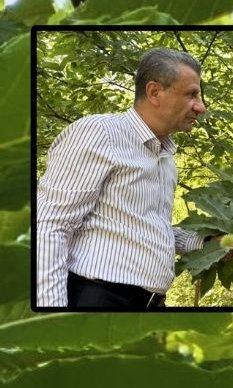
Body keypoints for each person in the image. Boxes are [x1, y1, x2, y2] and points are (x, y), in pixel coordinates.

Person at [36, 48, 212, 309]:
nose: (200, 106)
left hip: (150, 305)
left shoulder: (165, 157)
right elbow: (49, 225)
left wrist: (208, 242)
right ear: (154, 92)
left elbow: (148, 227)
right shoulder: (99, 133)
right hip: (98, 298)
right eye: (191, 94)